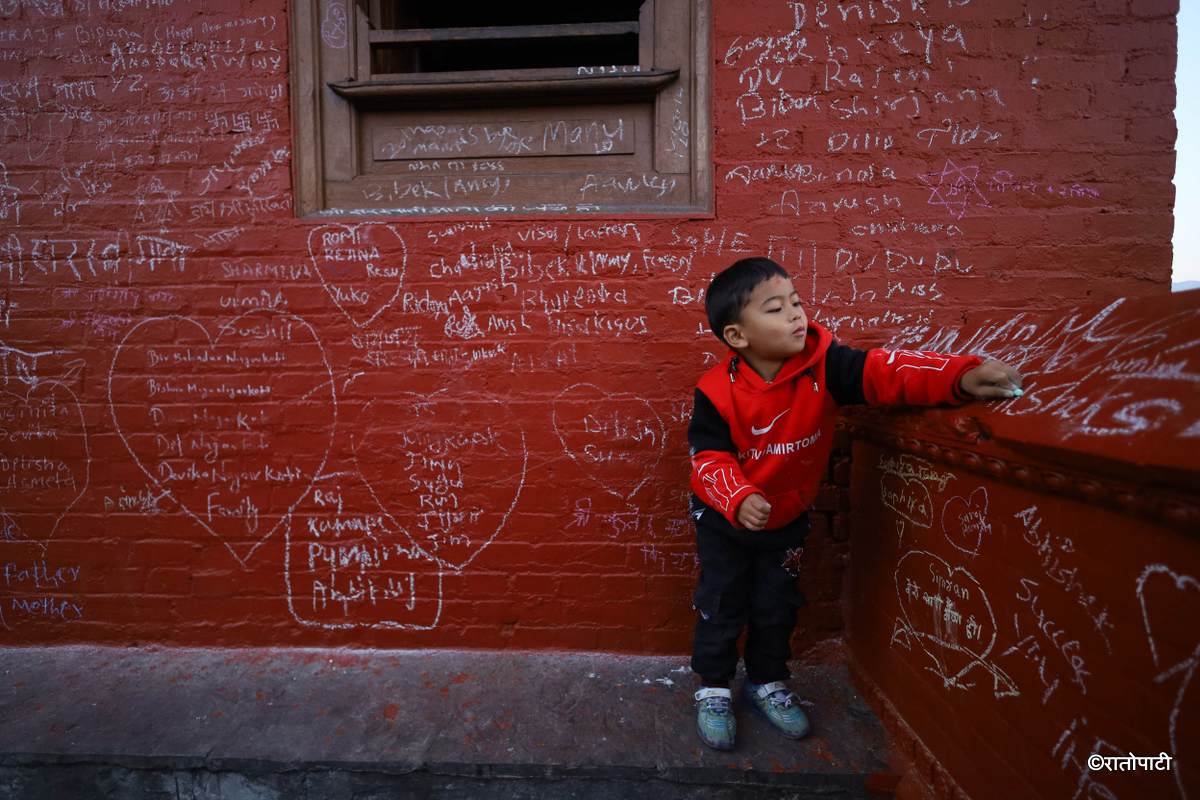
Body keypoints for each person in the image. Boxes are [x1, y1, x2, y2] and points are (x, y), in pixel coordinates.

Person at [687, 257, 1022, 751]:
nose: (796, 315)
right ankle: (714, 688)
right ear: (738, 336)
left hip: (787, 519)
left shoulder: (829, 368)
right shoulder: (715, 392)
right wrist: (738, 496)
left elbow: (888, 373)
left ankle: (767, 683)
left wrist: (960, 376)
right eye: (776, 309)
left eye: (796, 303)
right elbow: (707, 456)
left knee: (776, 605)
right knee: (722, 603)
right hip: (725, 520)